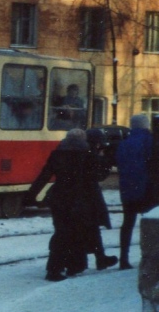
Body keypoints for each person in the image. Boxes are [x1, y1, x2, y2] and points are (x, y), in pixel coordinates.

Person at [26, 129, 114, 281]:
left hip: (59, 199)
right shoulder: (87, 155)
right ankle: (61, 269)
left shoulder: (57, 154)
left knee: (61, 232)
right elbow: (99, 176)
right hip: (79, 200)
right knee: (74, 234)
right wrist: (104, 160)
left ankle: (60, 267)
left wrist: (30, 195)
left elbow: (44, 176)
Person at [116, 114, 153, 271]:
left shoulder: (123, 143)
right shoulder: (150, 141)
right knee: (151, 223)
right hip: (147, 189)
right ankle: (149, 257)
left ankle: (124, 258)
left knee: (127, 224)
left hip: (127, 188)